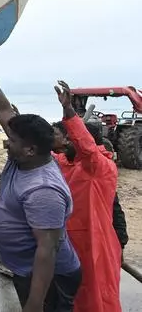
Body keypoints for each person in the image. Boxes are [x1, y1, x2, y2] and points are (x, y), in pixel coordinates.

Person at [0, 41, 81, 312]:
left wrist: (34, 303)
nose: (8, 144)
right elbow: (2, 108)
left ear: (30, 149)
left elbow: (48, 250)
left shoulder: (43, 191)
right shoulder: (24, 159)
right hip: (26, 271)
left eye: (13, 140)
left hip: (49, 279)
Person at [51, 81, 121, 312]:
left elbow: (87, 148)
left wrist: (68, 111)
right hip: (71, 244)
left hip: (95, 244)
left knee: (98, 299)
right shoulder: (68, 163)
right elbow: (46, 152)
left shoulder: (99, 167)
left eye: (71, 139)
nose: (66, 143)